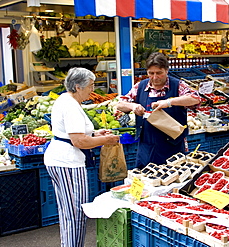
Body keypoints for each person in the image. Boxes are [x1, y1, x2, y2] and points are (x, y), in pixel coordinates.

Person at [44, 67, 120, 247]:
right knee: (75, 214)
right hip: (67, 162)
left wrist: (95, 133)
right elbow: (78, 141)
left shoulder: (66, 100)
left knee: (67, 212)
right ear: (78, 87)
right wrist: (105, 140)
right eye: (90, 86)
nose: (93, 90)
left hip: (59, 159)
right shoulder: (70, 105)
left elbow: (75, 133)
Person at [117, 52, 201, 168]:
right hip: (146, 147)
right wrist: (133, 106)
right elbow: (120, 104)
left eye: (159, 73)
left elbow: (195, 98)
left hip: (173, 146)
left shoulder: (177, 85)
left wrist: (169, 102)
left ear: (166, 70)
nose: (155, 77)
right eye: (151, 73)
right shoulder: (140, 86)